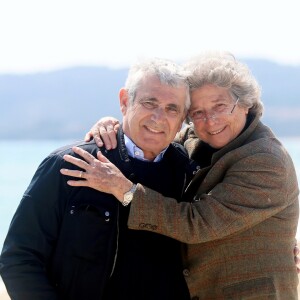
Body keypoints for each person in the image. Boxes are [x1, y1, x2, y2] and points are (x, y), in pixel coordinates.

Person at [64, 52, 299, 299]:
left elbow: (198, 223)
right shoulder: (193, 141)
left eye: (220, 106)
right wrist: (111, 125)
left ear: (246, 103)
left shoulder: (267, 160)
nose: (210, 120)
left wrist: (125, 190)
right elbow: (150, 140)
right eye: (197, 112)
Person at [0, 58, 194, 300]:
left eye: (171, 108)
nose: (158, 117)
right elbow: (19, 258)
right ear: (125, 101)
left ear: (183, 117)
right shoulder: (68, 164)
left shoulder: (190, 173)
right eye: (149, 102)